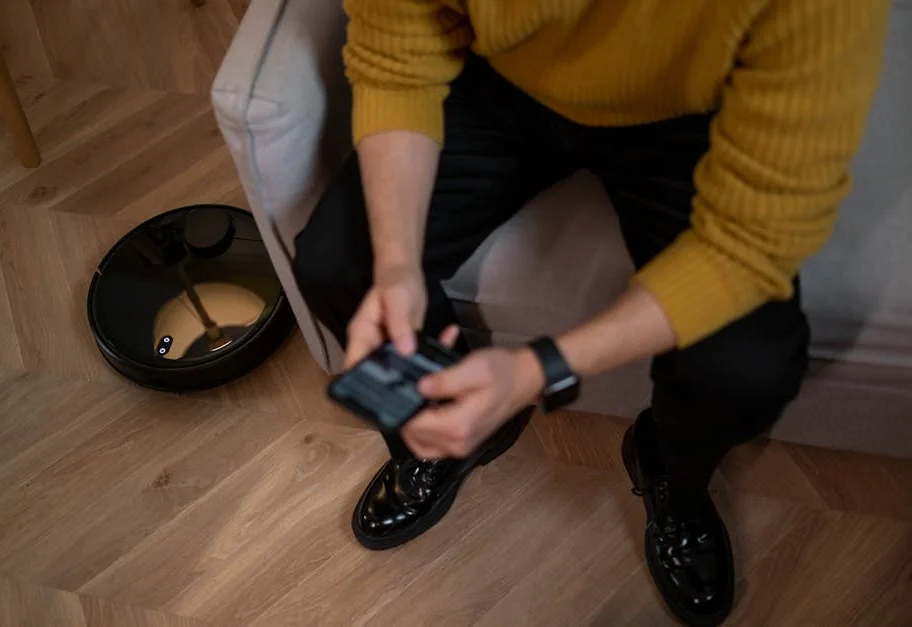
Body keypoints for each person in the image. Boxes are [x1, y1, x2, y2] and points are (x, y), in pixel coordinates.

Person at [292, 1, 889, 624]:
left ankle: (670, 470)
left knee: (746, 366)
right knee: (338, 264)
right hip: (499, 74)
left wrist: (536, 370)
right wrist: (396, 267)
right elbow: (398, 48)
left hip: (695, 109)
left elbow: (752, 243)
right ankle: (445, 427)